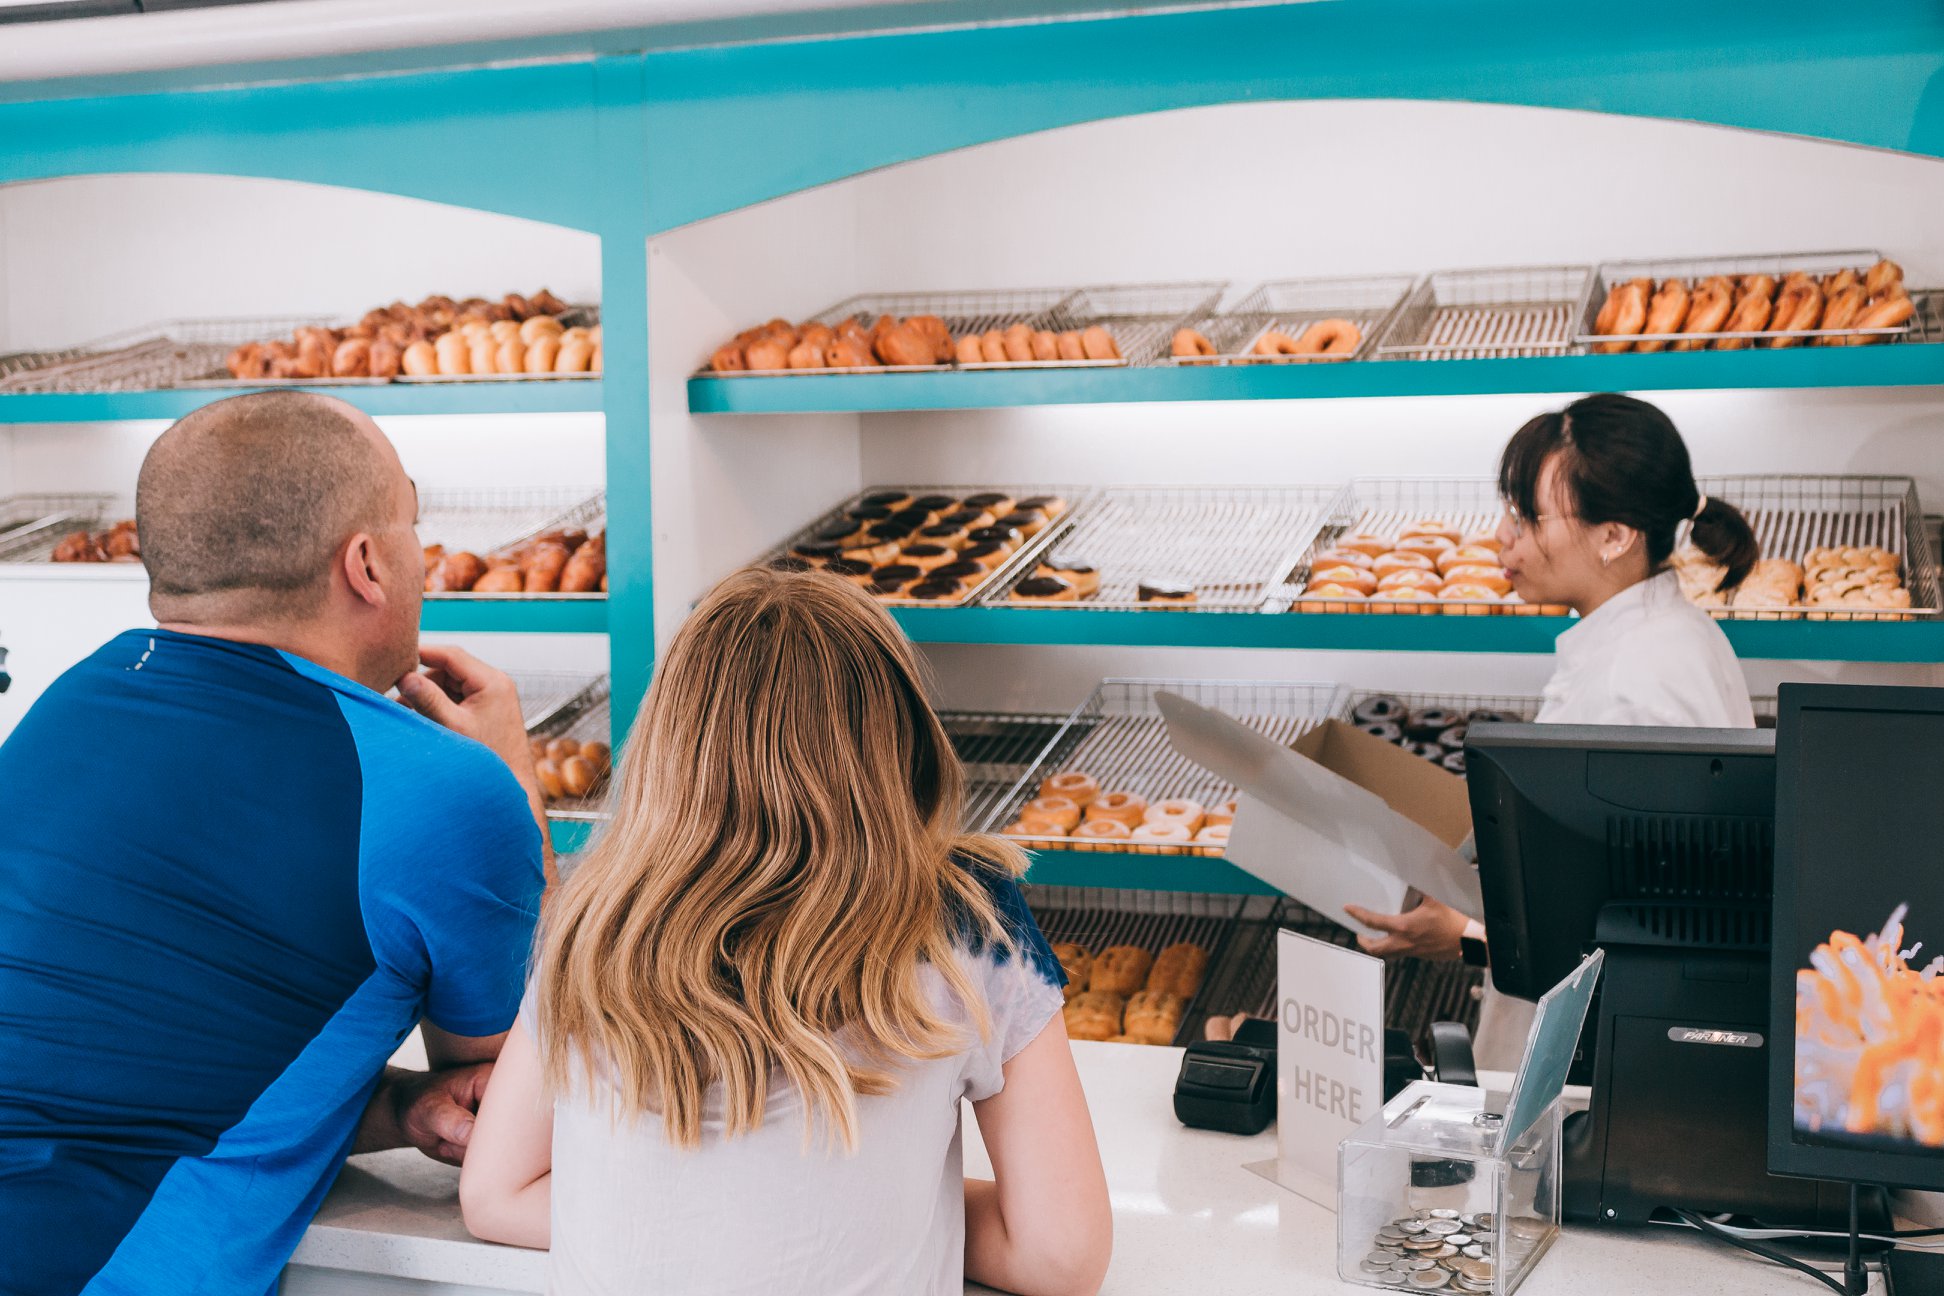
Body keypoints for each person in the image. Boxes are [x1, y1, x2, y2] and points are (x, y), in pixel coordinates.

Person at [0, 391, 549, 1296]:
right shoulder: (440, 790)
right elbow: (513, 1086)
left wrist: (396, 1107)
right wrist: (510, 776)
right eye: (413, 522)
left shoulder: (70, 701)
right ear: (367, 564)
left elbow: (143, 1059)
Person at [460, 567, 1113, 1296]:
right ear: (902, 742)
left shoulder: (591, 924)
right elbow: (1061, 1254)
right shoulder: (963, 921)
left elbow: (495, 1193)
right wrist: (900, 1205)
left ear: (670, 743)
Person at [1345, 393, 1758, 976]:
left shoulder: (1638, 691)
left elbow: (1645, 931)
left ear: (1613, 536)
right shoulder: (1660, 635)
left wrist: (1466, 935)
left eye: (1527, 516)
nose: (1500, 535)